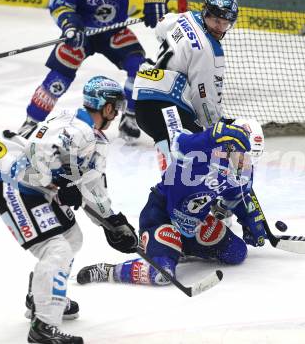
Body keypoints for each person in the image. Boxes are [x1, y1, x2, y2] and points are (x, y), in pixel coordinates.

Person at [0, 76, 138, 344]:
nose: (118, 111)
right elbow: (35, 153)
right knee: (57, 249)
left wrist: (114, 222)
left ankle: (40, 298)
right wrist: (61, 181)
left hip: (35, 188)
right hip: (11, 182)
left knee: (71, 238)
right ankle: (43, 326)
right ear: (106, 106)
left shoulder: (93, 137)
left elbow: (91, 187)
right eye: (116, 105)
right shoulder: (74, 128)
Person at [76, 118, 267, 287]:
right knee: (161, 274)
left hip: (195, 224)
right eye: (245, 155)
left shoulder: (243, 170)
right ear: (230, 145)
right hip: (161, 217)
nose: (248, 163)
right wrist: (211, 136)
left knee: (237, 253)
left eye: (253, 158)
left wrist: (250, 220)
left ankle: (179, 248)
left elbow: (236, 197)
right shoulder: (205, 151)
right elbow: (179, 143)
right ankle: (107, 271)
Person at [18, 0, 170, 143]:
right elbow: (59, 2)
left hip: (115, 31)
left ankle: (130, 116)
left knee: (139, 68)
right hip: (82, 33)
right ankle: (32, 122)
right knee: (60, 76)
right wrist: (69, 23)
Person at [133, 0, 239, 171]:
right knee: (200, 155)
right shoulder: (208, 51)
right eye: (216, 20)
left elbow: (161, 26)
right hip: (167, 105)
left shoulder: (185, 17)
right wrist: (215, 129)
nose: (219, 27)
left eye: (225, 23)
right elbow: (203, 98)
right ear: (206, 12)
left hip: (144, 102)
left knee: (172, 165)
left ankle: (169, 193)